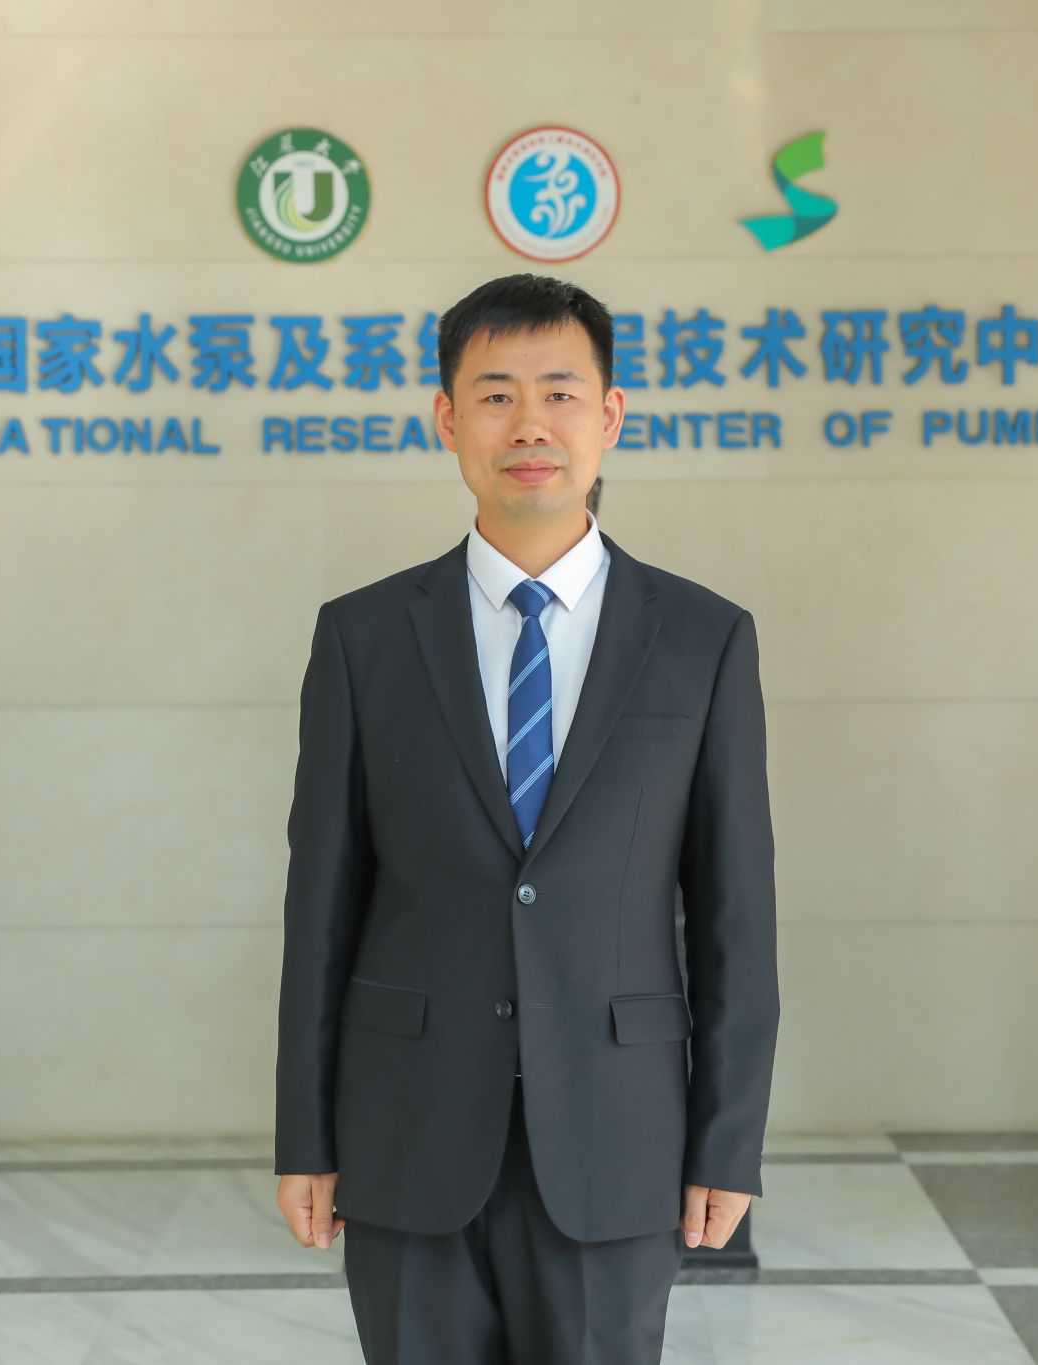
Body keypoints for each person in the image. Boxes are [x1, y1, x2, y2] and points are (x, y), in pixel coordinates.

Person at [273, 272, 780, 1363]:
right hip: (406, 1129)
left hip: (617, 1135)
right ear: (447, 418)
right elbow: (320, 905)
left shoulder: (702, 639)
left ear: (610, 416)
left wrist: (727, 1143)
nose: (529, 425)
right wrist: (304, 1135)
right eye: (496, 394)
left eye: (560, 392)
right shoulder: (364, 637)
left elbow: (735, 917)